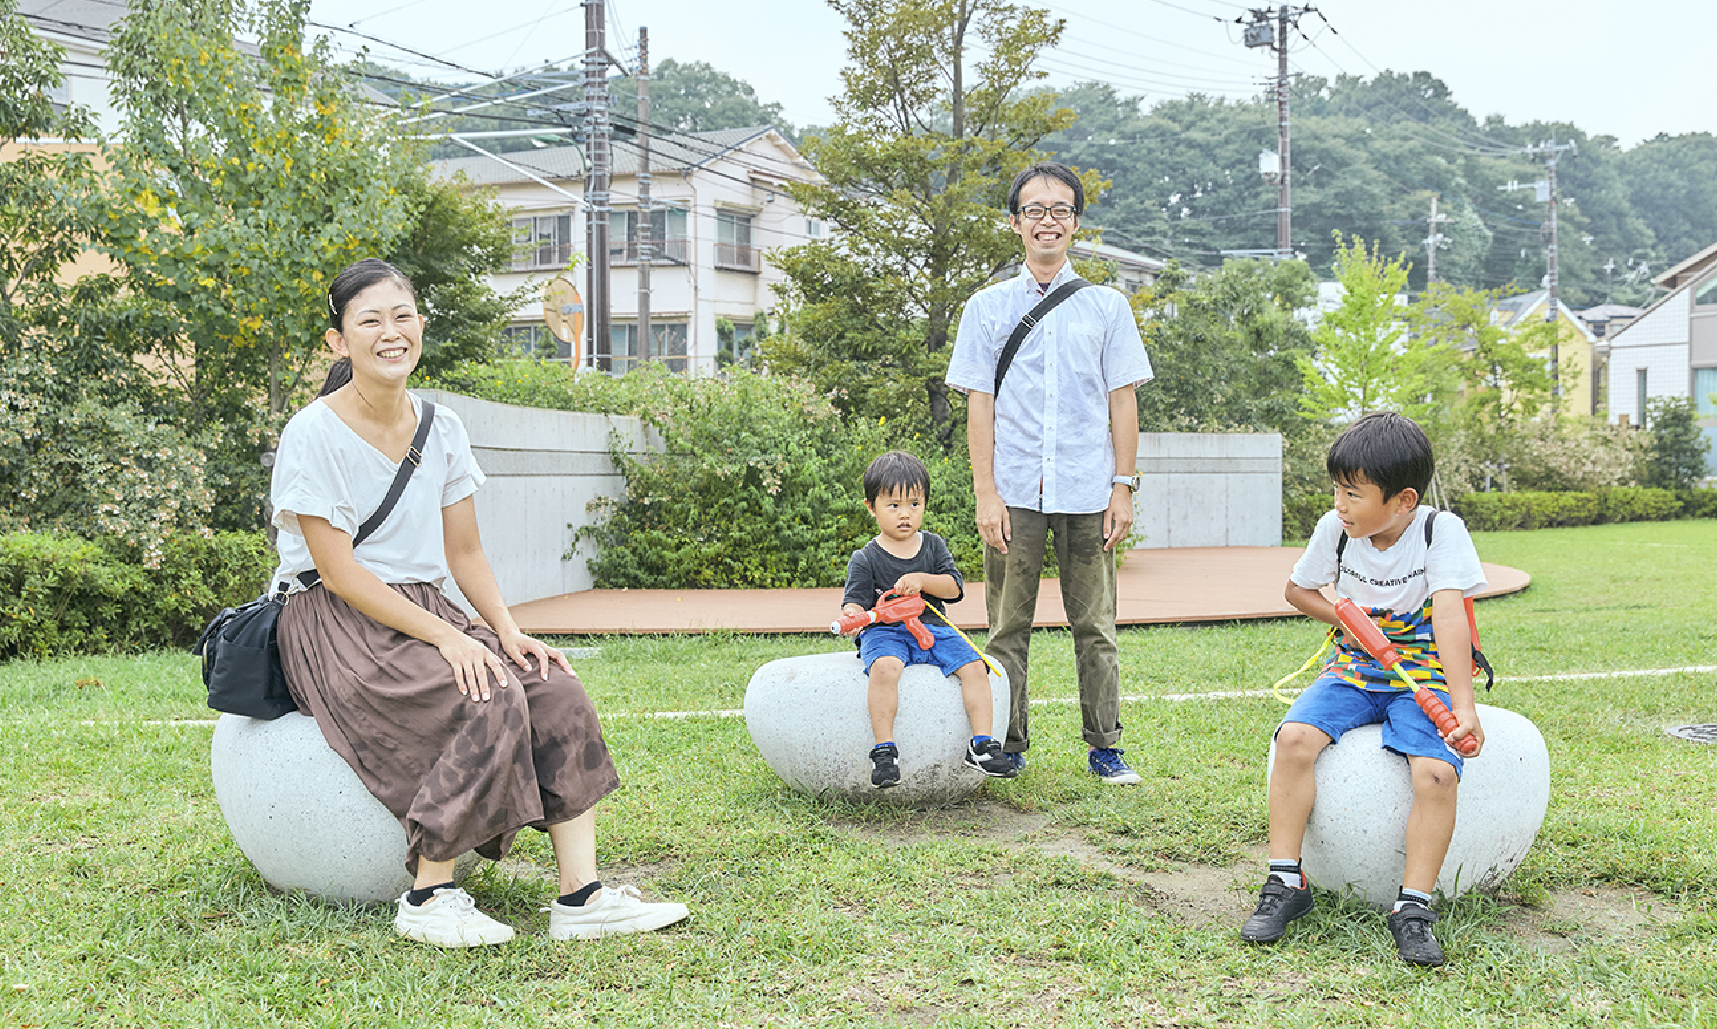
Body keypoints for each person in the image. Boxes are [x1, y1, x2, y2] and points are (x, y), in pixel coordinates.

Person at [269, 258, 689, 948]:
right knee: (487, 693)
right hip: (336, 617)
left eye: (401, 316)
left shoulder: (443, 427)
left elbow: (465, 553)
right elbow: (339, 571)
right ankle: (429, 893)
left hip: (426, 606)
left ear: (420, 326)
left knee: (552, 686)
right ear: (337, 342)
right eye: (369, 320)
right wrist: (452, 639)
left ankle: (579, 896)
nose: (390, 332)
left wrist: (506, 629)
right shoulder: (312, 432)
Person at [1241, 411, 1487, 967]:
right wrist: (1348, 618)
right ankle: (1287, 881)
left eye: (1353, 493)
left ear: (1402, 500)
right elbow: (1297, 591)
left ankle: (1414, 906)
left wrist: (1462, 706)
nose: (1340, 505)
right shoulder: (1337, 529)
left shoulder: (1437, 530)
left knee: (1437, 773)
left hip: (1422, 674)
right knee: (1295, 740)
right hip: (1353, 667)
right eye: (1336, 490)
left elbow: (1449, 617)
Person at [944, 161, 1154, 784]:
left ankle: (1105, 747)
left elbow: (1123, 400)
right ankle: (1007, 745)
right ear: (1015, 224)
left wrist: (1124, 486)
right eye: (1034, 210)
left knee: (1097, 625)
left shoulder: (1107, 306)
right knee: (1008, 625)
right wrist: (986, 492)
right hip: (1014, 489)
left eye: (1060, 209)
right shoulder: (986, 307)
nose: (1047, 220)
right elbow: (978, 402)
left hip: (1090, 488)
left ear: (1076, 224)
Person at [839, 451, 1015, 788]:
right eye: (893, 506)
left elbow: (953, 588)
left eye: (914, 504)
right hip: (887, 633)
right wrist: (851, 615)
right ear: (870, 507)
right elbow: (855, 602)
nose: (905, 514)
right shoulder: (865, 557)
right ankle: (884, 749)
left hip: (933, 630)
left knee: (976, 667)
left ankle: (981, 745)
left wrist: (922, 580)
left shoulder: (933, 547)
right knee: (885, 668)